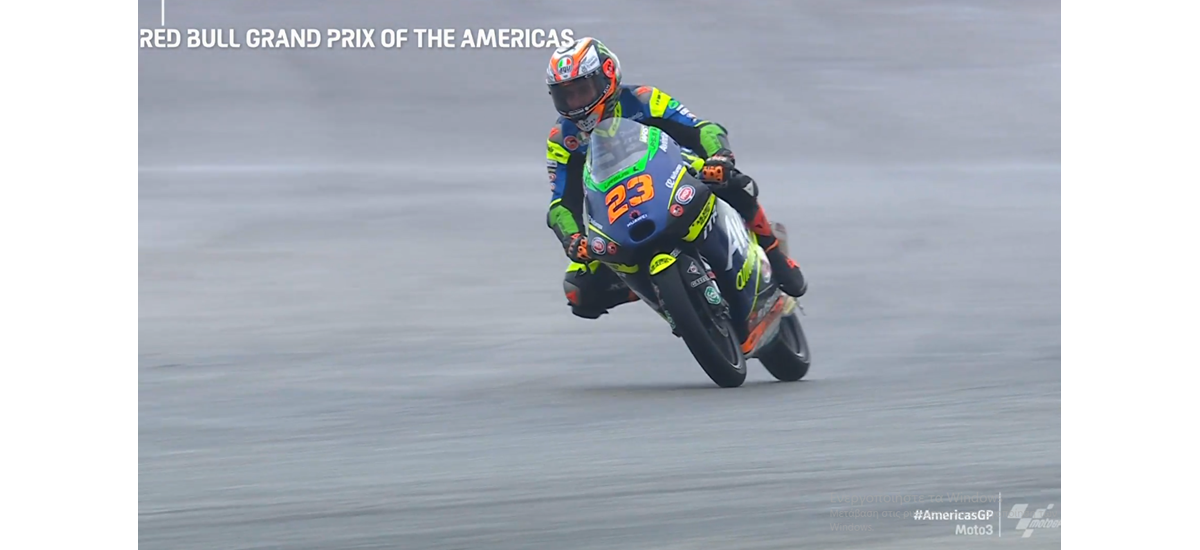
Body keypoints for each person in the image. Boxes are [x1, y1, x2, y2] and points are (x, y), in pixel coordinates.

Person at [544, 37, 807, 320]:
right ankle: (659, 291)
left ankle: (775, 255)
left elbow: (701, 128)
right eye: (566, 96)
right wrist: (572, 237)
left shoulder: (644, 99)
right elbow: (560, 203)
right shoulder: (562, 139)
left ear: (607, 77)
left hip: (675, 177)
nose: (576, 103)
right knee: (579, 290)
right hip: (617, 212)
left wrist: (719, 156)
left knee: (735, 183)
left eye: (582, 91)